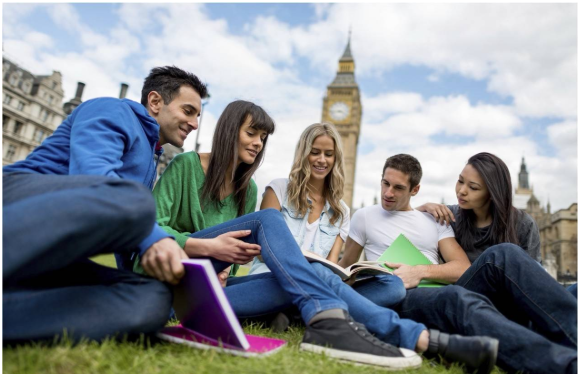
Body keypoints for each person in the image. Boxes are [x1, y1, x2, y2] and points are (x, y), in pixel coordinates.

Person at [146, 107, 425, 369]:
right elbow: (154, 230)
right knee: (306, 264)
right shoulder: (270, 187)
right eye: (252, 134)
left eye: (262, 138)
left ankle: (298, 311)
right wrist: (209, 247)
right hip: (235, 276)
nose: (258, 143)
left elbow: (329, 262)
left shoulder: (250, 187)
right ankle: (405, 334)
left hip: (285, 285)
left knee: (391, 286)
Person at [248, 123, 498, 372]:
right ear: (304, 153)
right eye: (315, 152)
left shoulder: (341, 211)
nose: (322, 159)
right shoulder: (279, 189)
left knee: (391, 285)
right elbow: (266, 247)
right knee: (318, 274)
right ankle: (424, 341)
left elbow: (338, 265)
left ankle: (295, 314)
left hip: (316, 285)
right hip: (272, 279)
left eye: (329, 154)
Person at [3, 66, 208, 342]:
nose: (194, 123)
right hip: (15, 202)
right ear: (156, 102)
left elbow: (123, 224)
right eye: (188, 111)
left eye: (197, 115)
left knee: (153, 300)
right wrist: (155, 238)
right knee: (134, 199)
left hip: (53, 254)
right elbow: (94, 182)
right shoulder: (111, 110)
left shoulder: (151, 156)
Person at [339, 153, 577, 373]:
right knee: (486, 272)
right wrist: (422, 208)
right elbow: (349, 264)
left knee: (522, 263)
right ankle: (566, 364)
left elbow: (529, 281)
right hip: (445, 293)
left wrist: (419, 270)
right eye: (460, 181)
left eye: (472, 187)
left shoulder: (518, 224)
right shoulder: (447, 215)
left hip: (495, 297)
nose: (461, 191)